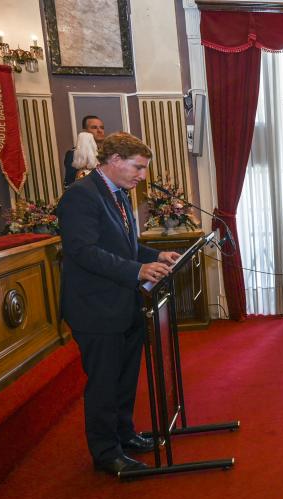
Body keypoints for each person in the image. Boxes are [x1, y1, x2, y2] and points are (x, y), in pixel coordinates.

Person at [57, 132, 181, 475]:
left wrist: (155, 254)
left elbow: (125, 246)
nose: (142, 175)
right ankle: (106, 453)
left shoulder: (119, 194)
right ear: (114, 161)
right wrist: (138, 269)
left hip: (123, 304)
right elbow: (83, 252)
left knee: (125, 379)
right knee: (104, 384)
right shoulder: (80, 197)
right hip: (95, 309)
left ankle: (124, 435)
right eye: (138, 167)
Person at [64, 115, 105, 188]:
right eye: (94, 127)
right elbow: (71, 181)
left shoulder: (109, 153)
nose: (99, 130)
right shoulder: (74, 154)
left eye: (102, 127)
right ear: (85, 131)